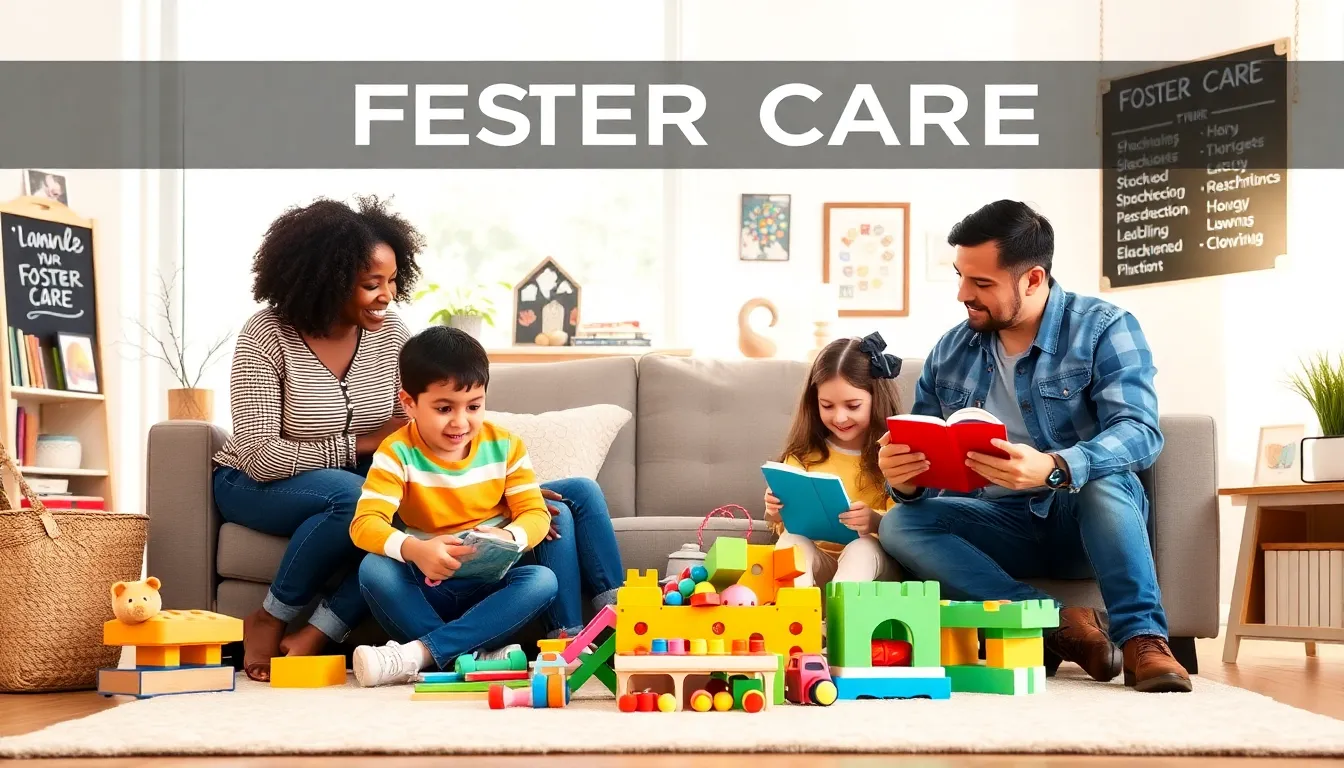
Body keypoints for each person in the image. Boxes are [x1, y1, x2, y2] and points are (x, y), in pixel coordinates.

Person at [875, 200, 1191, 694]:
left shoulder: (1105, 328)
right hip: (998, 524)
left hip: (1080, 519)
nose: (963, 294)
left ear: (1032, 279)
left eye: (981, 283)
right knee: (900, 522)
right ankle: (1056, 623)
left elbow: (1139, 432)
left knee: (1104, 481)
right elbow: (929, 466)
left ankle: (1142, 640)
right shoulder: (951, 351)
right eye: (961, 277)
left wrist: (1054, 467)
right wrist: (906, 480)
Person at [212, 196, 424, 682]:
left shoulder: (391, 334)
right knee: (356, 499)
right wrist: (361, 444)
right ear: (328, 280)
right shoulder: (267, 334)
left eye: (393, 281)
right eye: (372, 284)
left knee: (405, 516)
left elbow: (409, 428)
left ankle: (320, 630)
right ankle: (270, 617)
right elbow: (260, 455)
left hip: (348, 480)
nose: (387, 296)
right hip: (255, 484)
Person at [348, 326, 559, 686]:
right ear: (409, 403)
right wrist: (416, 550)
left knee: (542, 580)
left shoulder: (506, 445)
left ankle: (420, 654)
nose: (461, 422)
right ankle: (475, 658)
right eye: (444, 408)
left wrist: (509, 536)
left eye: (474, 406)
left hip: (489, 590)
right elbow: (364, 524)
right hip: (427, 588)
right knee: (373, 569)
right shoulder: (396, 452)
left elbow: (535, 512)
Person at [764, 333, 903, 588]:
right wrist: (774, 511)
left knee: (862, 548)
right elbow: (783, 524)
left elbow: (905, 525)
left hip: (874, 572)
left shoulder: (893, 457)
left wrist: (874, 520)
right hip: (821, 567)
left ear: (876, 400)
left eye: (853, 406)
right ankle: (798, 609)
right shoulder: (802, 457)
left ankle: (842, 612)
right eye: (827, 406)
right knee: (791, 541)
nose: (839, 418)